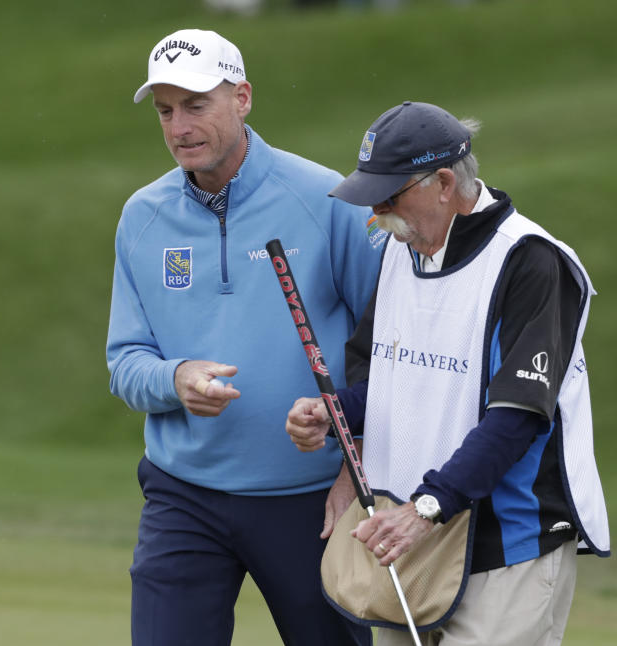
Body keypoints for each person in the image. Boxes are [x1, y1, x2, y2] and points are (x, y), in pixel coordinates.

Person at [286, 101, 610, 646]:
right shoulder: (399, 250)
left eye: (390, 195)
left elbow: (516, 417)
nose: (378, 212)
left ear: (442, 182)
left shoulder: (531, 261)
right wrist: (337, 413)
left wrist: (426, 508)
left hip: (505, 543)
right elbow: (393, 380)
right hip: (409, 533)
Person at [106, 28, 382, 646]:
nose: (179, 125)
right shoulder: (143, 216)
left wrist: (355, 465)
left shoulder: (326, 199)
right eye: (165, 110)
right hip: (185, 496)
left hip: (312, 502)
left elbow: (387, 344)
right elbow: (125, 361)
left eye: (196, 105)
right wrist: (174, 379)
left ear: (243, 97)